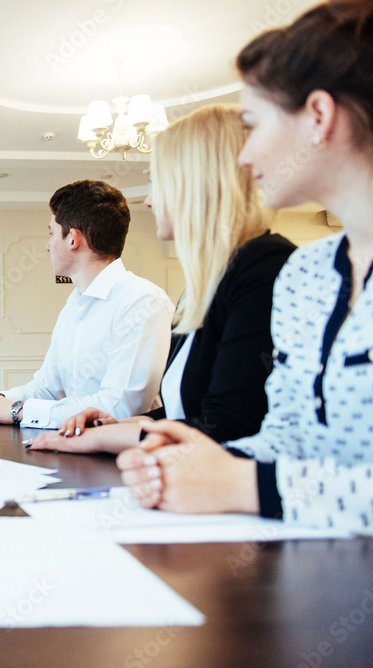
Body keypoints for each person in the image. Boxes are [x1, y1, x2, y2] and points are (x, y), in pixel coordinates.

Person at [117, 1, 373, 532]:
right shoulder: (307, 273)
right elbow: (285, 435)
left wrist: (240, 483)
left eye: (252, 125)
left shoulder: (271, 266)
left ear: (319, 117)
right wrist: (182, 455)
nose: (242, 156)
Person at [24, 105, 295, 455]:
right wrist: (118, 426)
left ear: (194, 182)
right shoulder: (200, 289)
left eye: (156, 181)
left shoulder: (263, 265)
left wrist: (112, 436)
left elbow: (228, 427)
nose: (149, 200)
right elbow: (189, 414)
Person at [0, 180, 173, 427]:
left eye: (52, 233)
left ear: (72, 239)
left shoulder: (143, 302)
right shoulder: (73, 306)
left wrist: (17, 411)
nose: (48, 245)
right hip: (72, 447)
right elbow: (48, 387)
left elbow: (120, 408)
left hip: (123, 457)